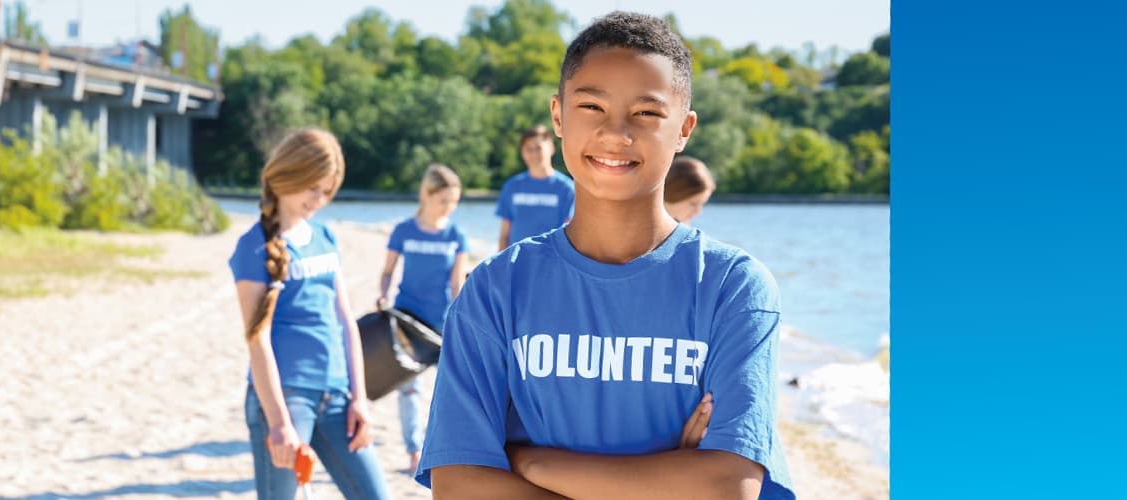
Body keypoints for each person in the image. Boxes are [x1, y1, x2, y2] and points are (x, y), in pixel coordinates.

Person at [416, 12, 795, 499]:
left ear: (684, 129)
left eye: (647, 113)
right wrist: (669, 480)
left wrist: (531, 461)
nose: (616, 133)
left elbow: (726, 486)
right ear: (558, 116)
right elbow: (459, 485)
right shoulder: (495, 289)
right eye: (592, 106)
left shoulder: (733, 287)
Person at [228, 128, 391, 500]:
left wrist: (360, 397)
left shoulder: (325, 236)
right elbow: (258, 340)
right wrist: (279, 422)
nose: (319, 200)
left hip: (337, 394)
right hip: (285, 397)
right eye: (312, 188)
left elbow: (346, 321)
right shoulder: (253, 247)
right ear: (288, 175)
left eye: (327, 191)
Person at [374, 164, 472, 473]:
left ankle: (445, 446)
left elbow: (457, 285)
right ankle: (413, 449)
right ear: (426, 195)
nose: (449, 207)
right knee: (409, 389)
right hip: (407, 321)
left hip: (442, 324)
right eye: (444, 200)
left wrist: (463, 319)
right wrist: (383, 295)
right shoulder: (404, 230)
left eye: (454, 201)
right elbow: (388, 271)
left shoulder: (456, 235)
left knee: (451, 388)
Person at [496, 125, 576, 251]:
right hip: (516, 262)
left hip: (552, 263)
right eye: (528, 149)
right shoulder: (512, 186)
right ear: (522, 153)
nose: (534, 154)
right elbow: (504, 236)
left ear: (551, 148)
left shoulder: (567, 188)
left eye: (538, 148)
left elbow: (570, 237)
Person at [664, 156, 716, 224]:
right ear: (673, 194)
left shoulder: (686, 232)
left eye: (702, 204)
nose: (698, 212)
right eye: (693, 204)